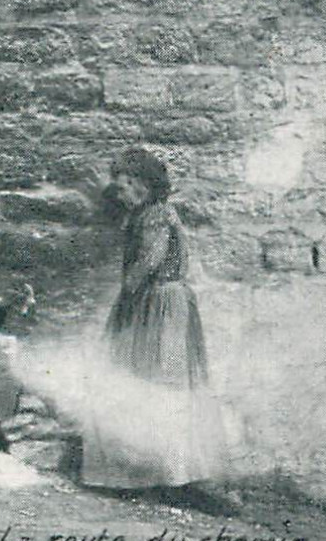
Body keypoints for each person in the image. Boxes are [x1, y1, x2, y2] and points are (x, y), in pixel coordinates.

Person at [82, 147, 229, 498]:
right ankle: (149, 470)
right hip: (156, 301)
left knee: (161, 381)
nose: (121, 190)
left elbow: (151, 258)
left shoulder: (156, 216)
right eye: (119, 183)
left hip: (159, 303)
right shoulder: (143, 215)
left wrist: (129, 294)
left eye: (129, 183)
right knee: (146, 379)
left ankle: (168, 471)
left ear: (146, 186)